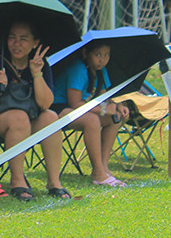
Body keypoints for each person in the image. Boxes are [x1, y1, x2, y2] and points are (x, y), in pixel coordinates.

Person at [0, 21, 70, 202]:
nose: (16, 44)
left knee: (51, 117)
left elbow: (45, 104)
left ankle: (54, 182)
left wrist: (37, 74)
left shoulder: (40, 63)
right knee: (19, 118)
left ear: (35, 43)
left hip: (29, 117)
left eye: (23, 39)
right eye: (12, 38)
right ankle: (17, 180)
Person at [51, 41, 130, 188]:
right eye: (97, 54)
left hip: (82, 108)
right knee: (92, 120)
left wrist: (117, 106)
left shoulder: (101, 71)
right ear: (86, 53)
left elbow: (103, 98)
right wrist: (104, 109)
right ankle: (98, 174)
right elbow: (75, 104)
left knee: (115, 118)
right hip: (59, 108)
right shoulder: (78, 68)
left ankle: (103, 167)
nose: (102, 59)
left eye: (106, 55)